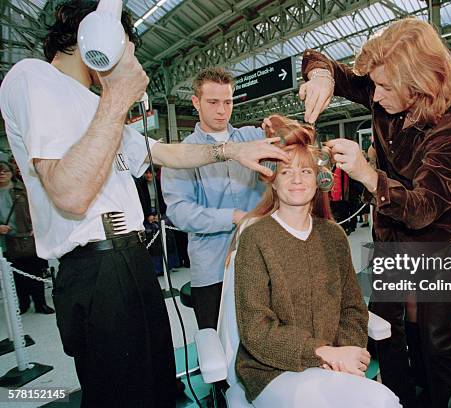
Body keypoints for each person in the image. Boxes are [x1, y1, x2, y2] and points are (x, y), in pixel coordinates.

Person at [0, 1, 287, 406]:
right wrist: (117, 96)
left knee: (156, 386)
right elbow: (69, 192)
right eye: (128, 51)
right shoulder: (34, 78)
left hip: (129, 257)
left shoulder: (96, 105)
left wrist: (230, 151)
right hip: (96, 265)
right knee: (122, 393)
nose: (132, 63)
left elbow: (164, 153)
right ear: (99, 40)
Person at [299, 17, 451, 407]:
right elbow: (323, 61)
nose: (374, 96)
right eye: (374, 84)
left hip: (431, 242)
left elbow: (424, 208)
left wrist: (367, 174)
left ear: (418, 84)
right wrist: (322, 77)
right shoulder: (386, 87)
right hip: (389, 236)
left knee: (437, 342)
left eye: (384, 87)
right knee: (387, 331)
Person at [234, 115, 401, 408]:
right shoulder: (256, 238)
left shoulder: (333, 235)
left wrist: (345, 351)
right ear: (273, 182)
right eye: (286, 172)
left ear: (319, 179)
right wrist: (324, 353)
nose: (297, 179)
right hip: (272, 370)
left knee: (386, 401)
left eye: (305, 171)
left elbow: (353, 307)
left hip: (333, 362)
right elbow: (256, 330)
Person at [162, 67, 266, 330]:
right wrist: (232, 217)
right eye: (213, 102)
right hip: (213, 268)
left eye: (228, 102)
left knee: (264, 337)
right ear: (196, 102)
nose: (222, 110)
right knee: (218, 345)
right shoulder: (181, 154)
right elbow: (180, 212)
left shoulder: (251, 137)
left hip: (260, 259)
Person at [0, 161, 54, 314]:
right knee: (16, 275)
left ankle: (40, 303)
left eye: (5, 171)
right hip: (6, 242)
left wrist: (37, 226)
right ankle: (23, 303)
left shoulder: (23, 189)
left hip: (27, 238)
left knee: (35, 271)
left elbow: (38, 207)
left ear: (11, 173)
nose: (2, 174)